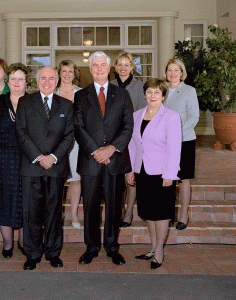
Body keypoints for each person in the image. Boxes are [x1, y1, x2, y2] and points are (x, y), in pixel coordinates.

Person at [74, 51, 134, 266]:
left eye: (103, 65)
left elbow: (128, 126)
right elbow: (78, 127)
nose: (99, 69)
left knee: (113, 206)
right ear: (90, 69)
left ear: (109, 69)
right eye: (95, 66)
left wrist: (111, 149)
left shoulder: (122, 95)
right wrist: (96, 151)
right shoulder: (81, 96)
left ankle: (111, 246)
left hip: (115, 161)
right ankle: (91, 247)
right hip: (90, 161)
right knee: (90, 206)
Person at [16, 66, 74, 270]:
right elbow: (21, 132)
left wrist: (53, 157)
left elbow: (69, 135)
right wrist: (39, 157)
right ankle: (32, 254)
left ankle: (52, 253)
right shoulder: (25, 102)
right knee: (31, 213)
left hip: (56, 167)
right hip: (32, 166)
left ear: (57, 81)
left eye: (51, 78)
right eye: (43, 78)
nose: (47, 82)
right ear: (37, 81)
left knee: (54, 212)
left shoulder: (66, 105)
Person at [126, 78, 182, 269]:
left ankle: (159, 250)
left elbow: (175, 149)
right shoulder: (136, 116)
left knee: (161, 213)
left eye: (157, 92)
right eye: (149, 91)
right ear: (144, 94)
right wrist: (131, 169)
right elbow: (132, 145)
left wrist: (170, 174)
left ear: (163, 95)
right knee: (148, 212)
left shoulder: (171, 117)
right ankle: (152, 246)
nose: (152, 95)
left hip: (162, 173)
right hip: (142, 171)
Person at [0, 63, 30, 258]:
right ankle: (7, 243)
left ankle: (23, 241)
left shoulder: (33, 102)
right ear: (7, 81)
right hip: (1, 159)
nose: (16, 82)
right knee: (4, 200)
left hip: (27, 157)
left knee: (25, 200)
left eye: (21, 79)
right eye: (13, 78)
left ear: (26, 83)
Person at [110, 51, 147, 228]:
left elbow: (141, 112)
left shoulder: (140, 87)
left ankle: (129, 212)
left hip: (133, 136)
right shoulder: (108, 85)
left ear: (132, 67)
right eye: (120, 64)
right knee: (116, 176)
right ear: (115, 67)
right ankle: (117, 210)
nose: (123, 68)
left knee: (131, 175)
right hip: (112, 138)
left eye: (127, 64)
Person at [163, 59, 199, 230]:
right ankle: (168, 213)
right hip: (164, 143)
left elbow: (193, 117)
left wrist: (176, 134)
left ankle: (183, 214)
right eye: (170, 70)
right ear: (166, 73)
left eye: (176, 70)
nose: (173, 74)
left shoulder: (189, 91)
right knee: (168, 178)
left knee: (183, 178)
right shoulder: (161, 90)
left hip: (184, 140)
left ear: (182, 73)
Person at [55, 59, 82, 229]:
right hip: (55, 143)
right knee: (56, 179)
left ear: (74, 74)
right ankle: (57, 213)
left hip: (76, 142)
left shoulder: (81, 93)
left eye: (70, 71)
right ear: (59, 73)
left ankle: (73, 214)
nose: (67, 74)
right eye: (64, 71)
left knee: (75, 179)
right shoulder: (52, 92)